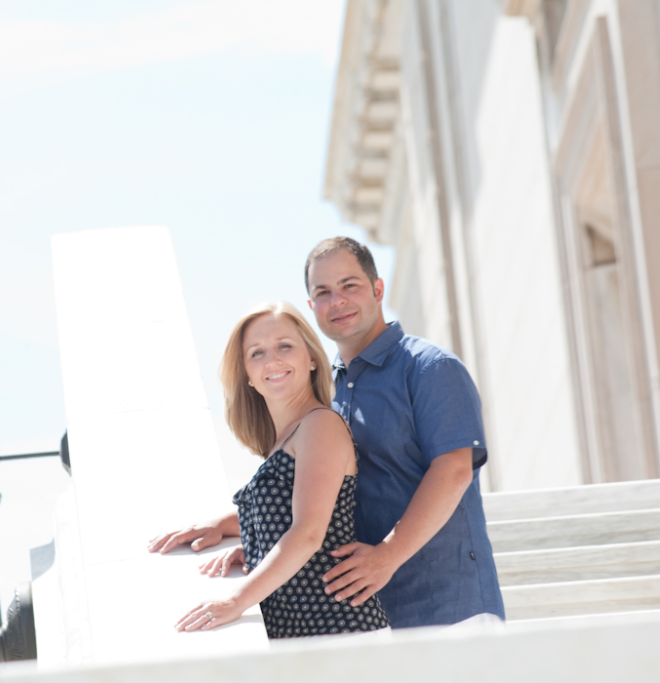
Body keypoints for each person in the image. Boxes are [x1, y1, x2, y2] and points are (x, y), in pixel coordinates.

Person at [151, 237, 504, 629]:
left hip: (449, 606)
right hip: (369, 607)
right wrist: (237, 530)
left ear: (377, 288)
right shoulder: (326, 396)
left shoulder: (428, 367)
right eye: (323, 292)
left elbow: (454, 471)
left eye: (349, 285)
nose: (337, 300)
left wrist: (387, 555)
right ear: (312, 306)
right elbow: (321, 493)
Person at [170, 302, 389, 638]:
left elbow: (308, 533)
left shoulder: (321, 425)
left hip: (338, 632)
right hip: (302, 637)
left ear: (312, 359)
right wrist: (229, 528)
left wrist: (234, 600)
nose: (271, 360)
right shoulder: (285, 439)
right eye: (256, 353)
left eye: (284, 346)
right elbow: (288, 512)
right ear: (247, 375)